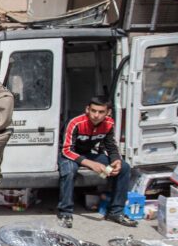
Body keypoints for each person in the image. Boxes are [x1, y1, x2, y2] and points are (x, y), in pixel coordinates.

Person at [58, 96, 137, 228]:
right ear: (87, 109)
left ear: (108, 113)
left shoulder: (109, 123)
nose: (96, 115)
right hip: (68, 155)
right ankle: (65, 213)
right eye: (93, 110)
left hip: (87, 154)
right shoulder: (76, 123)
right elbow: (66, 150)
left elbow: (111, 146)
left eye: (101, 112)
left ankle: (116, 212)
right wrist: (91, 164)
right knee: (69, 170)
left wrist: (116, 160)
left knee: (124, 167)